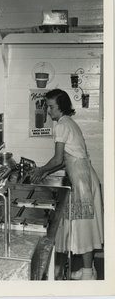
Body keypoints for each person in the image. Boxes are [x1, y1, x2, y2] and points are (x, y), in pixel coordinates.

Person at [30, 89, 103, 280]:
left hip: (81, 179)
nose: (48, 110)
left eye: (51, 106)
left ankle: (88, 274)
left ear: (61, 107)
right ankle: (89, 270)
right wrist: (45, 171)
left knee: (84, 225)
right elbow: (63, 160)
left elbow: (57, 159)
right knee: (86, 224)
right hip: (86, 176)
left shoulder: (61, 125)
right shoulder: (69, 123)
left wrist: (40, 170)